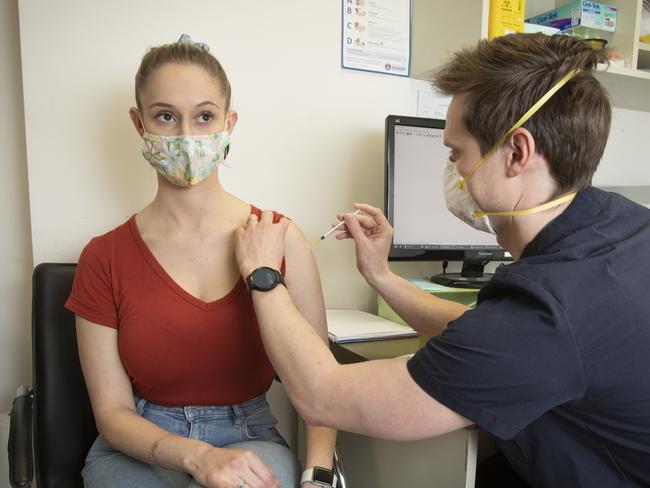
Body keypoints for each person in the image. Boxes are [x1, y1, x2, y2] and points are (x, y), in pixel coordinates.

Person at [233, 33, 650, 487]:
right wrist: (380, 275)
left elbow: (323, 396)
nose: (452, 171)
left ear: (517, 152)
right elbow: (480, 337)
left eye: (456, 153)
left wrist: (263, 276)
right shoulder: (621, 228)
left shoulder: (550, 310)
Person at [65, 35, 336, 488]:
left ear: (229, 124)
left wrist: (319, 475)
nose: (187, 136)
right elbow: (112, 413)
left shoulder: (279, 238)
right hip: (141, 444)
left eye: (205, 116)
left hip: (249, 434)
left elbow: (322, 384)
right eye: (166, 116)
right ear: (139, 123)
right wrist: (198, 457)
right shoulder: (103, 257)